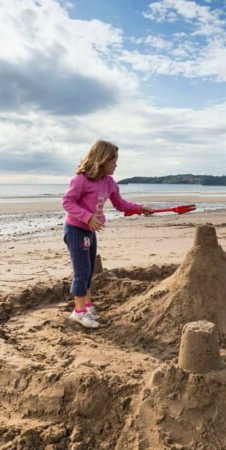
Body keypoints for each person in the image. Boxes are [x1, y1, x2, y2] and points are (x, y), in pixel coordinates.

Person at [62, 140, 153, 328]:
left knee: (88, 270)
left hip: (89, 230)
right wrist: (88, 217)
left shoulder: (109, 182)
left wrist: (140, 208)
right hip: (75, 230)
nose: (116, 165)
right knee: (81, 271)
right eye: (113, 161)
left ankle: (86, 307)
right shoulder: (81, 180)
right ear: (101, 160)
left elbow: (120, 204)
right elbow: (67, 202)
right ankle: (78, 313)